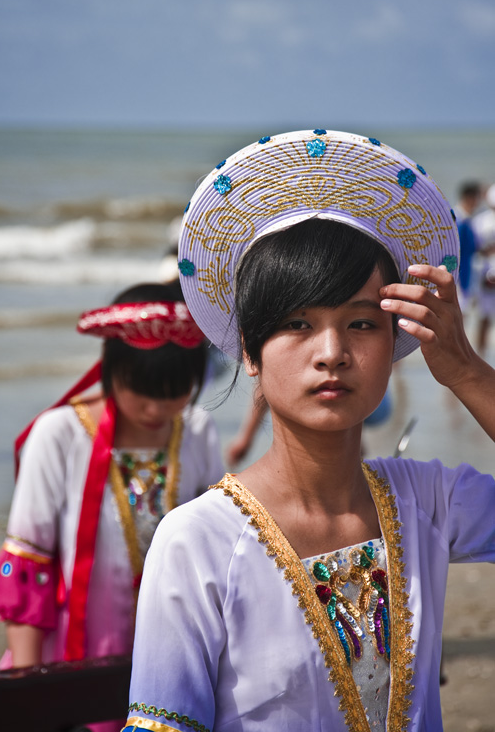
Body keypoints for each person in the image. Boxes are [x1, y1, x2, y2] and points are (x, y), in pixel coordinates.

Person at [122, 131, 495, 732]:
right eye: (297, 322)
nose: (332, 352)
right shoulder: (196, 541)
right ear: (249, 350)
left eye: (361, 322)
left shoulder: (428, 503)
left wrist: (467, 371)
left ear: (397, 336)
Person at [0, 282, 224, 728]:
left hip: (170, 648)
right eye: (141, 390)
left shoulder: (197, 430)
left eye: (173, 393)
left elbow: (212, 543)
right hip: (74, 652)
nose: (156, 408)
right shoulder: (60, 435)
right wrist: (33, 688)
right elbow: (30, 562)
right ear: (109, 370)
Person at [473, 183, 495, 354]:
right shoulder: (480, 222)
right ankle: (481, 353)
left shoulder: (479, 221)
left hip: (485, 274)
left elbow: (475, 251)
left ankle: (480, 354)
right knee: (484, 317)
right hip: (487, 274)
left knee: (484, 317)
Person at [454, 181, 482, 313]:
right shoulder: (460, 220)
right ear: (469, 197)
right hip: (460, 276)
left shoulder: (464, 219)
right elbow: (456, 251)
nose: (478, 202)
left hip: (466, 274)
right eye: (477, 198)